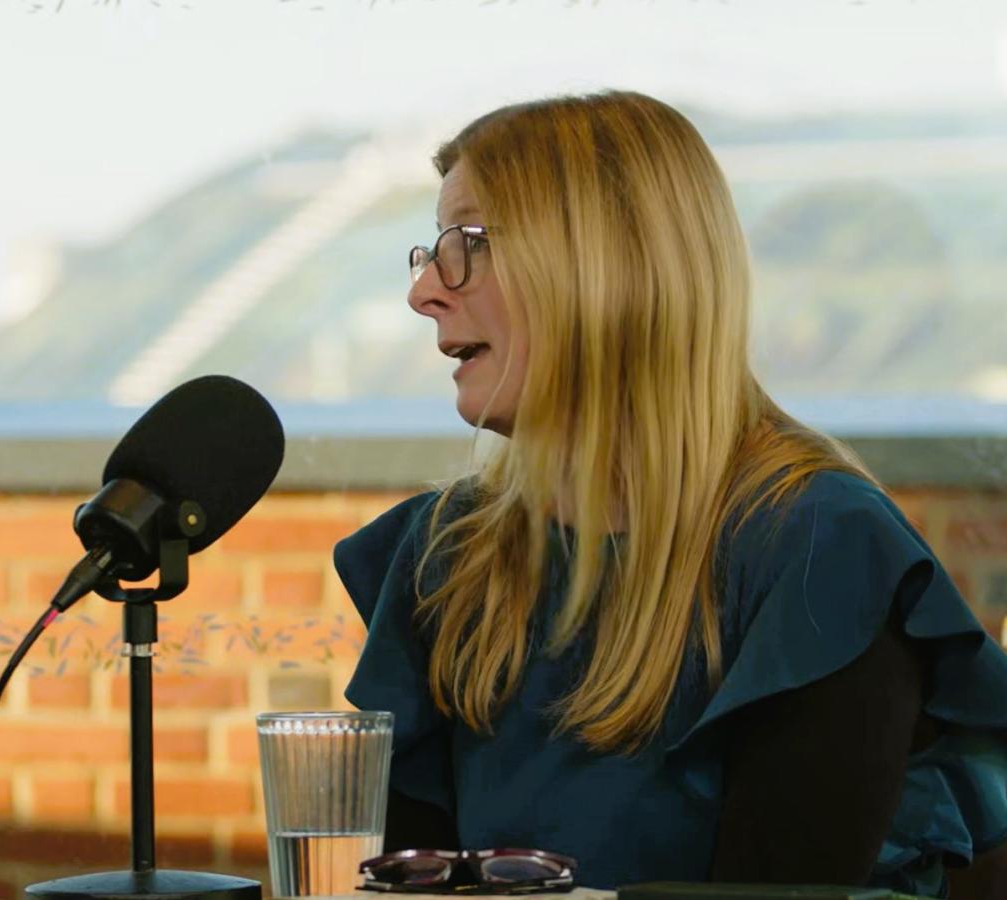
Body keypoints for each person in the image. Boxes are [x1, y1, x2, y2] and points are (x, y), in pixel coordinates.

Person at [333, 91, 1007, 897]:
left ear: (612, 262)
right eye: (432, 250)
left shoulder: (821, 551)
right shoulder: (447, 553)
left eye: (467, 243)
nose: (425, 293)